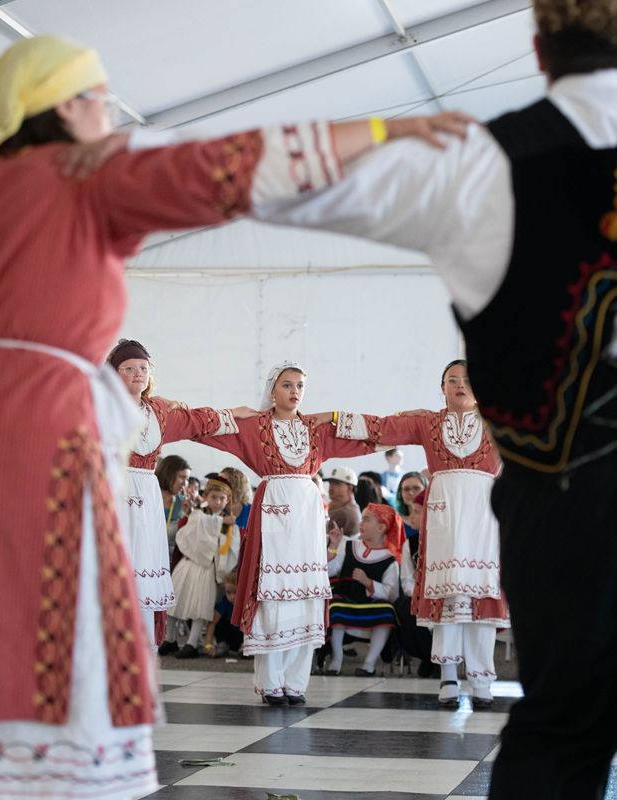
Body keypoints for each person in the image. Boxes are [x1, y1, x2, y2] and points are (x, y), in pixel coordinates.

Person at [0, 36, 470, 799]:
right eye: (99, 97)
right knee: (44, 605)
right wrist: (378, 133)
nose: (108, 113)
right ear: (64, 107)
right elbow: (220, 167)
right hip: (37, 429)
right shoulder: (74, 172)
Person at [256, 5, 617, 786]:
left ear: (536, 48)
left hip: (555, 495)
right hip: (538, 493)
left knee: (561, 721)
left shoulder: (485, 158)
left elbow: (290, 181)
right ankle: (461, 673)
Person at [191, 361, 381, 705]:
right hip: (273, 506)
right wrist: (232, 412)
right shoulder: (255, 425)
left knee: (306, 594)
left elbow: (366, 437)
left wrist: (335, 415)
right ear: (272, 389)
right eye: (287, 385)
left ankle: (296, 683)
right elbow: (203, 430)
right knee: (273, 593)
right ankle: (271, 682)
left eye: (300, 386)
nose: (294, 392)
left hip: (307, 512)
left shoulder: (314, 427)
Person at [331, 361, 509, 708]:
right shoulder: (428, 422)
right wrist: (332, 418)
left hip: (483, 517)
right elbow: (381, 427)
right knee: (447, 597)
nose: (460, 385)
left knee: (481, 598)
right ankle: (449, 677)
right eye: (452, 380)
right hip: (443, 515)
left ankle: (483, 680)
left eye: (469, 380)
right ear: (441, 387)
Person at [108, 338, 246, 652]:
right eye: (128, 368)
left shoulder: (158, 410)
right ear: (114, 374)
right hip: (114, 490)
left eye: (142, 368)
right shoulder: (102, 405)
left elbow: (198, 422)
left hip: (147, 494)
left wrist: (234, 414)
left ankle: (141, 648)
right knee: (117, 564)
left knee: (144, 567)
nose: (137, 373)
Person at [325, 503, 403, 676]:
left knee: (387, 612)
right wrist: (333, 546)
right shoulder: (349, 546)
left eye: (367, 520)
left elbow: (392, 594)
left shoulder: (390, 559)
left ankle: (369, 663)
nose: (361, 523)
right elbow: (330, 571)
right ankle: (336, 659)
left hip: (371, 604)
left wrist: (368, 582)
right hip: (346, 599)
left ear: (382, 527)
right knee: (335, 606)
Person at [167, 475, 239, 659]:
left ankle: (191, 643)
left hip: (207, 569)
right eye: (213, 497)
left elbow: (230, 548)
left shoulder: (229, 523)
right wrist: (220, 523)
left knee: (200, 607)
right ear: (206, 496)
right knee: (174, 602)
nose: (217, 502)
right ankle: (170, 639)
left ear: (227, 500)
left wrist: (223, 528)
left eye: (222, 498)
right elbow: (195, 527)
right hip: (189, 564)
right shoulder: (200, 514)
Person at [397, 489, 437, 678]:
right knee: (406, 608)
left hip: (439, 594)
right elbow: (407, 577)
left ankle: (438, 660)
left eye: (417, 511)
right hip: (418, 595)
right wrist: (418, 594)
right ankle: (431, 658)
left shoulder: (445, 541)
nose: (412, 516)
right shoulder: (411, 543)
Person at [155, 454, 191, 553]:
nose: (185, 483)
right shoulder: (148, 497)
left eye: (187, 479)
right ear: (168, 474)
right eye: (182, 477)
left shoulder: (183, 504)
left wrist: (189, 515)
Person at [203, 571, 244, 658]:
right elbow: (212, 623)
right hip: (228, 638)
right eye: (228, 593)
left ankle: (246, 646)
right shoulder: (225, 602)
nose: (232, 597)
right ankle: (222, 645)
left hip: (242, 638)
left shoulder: (245, 604)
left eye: (235, 592)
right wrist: (208, 645)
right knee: (217, 618)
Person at [325, 465, 362, 538]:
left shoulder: (345, 513)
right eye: (330, 483)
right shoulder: (340, 506)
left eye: (336, 484)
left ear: (349, 488)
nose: (331, 487)